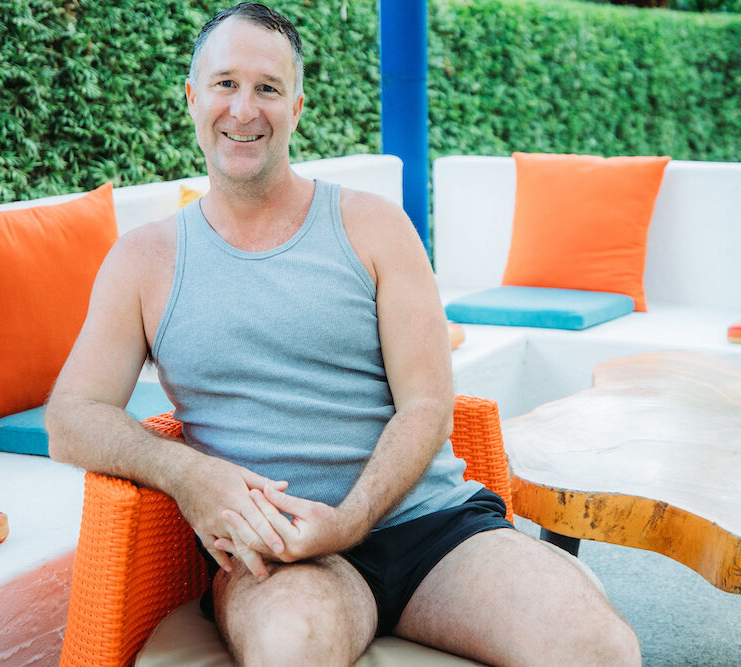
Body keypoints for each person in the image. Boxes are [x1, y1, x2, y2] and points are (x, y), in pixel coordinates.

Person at [46, 3, 641, 664]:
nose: (244, 109)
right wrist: (188, 474)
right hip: (280, 552)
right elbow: (72, 416)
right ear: (192, 97)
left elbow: (427, 404)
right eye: (225, 84)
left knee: (600, 647)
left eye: (268, 88)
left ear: (297, 107)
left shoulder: (375, 226)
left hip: (433, 529)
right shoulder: (144, 261)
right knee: (289, 650)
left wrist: (353, 517)